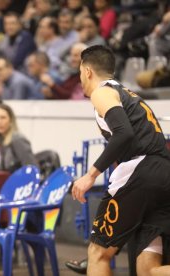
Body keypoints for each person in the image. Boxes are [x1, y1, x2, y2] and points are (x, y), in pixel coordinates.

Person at [71, 45, 170, 275]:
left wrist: (90, 175)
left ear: (87, 71)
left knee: (97, 253)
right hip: (163, 173)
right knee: (148, 270)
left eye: (79, 73)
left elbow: (124, 133)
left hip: (141, 171)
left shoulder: (102, 92)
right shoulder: (127, 93)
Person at [0, 103, 37, 172]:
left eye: (3, 118)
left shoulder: (17, 139)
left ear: (11, 120)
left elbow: (31, 168)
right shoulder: (2, 140)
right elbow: (1, 169)